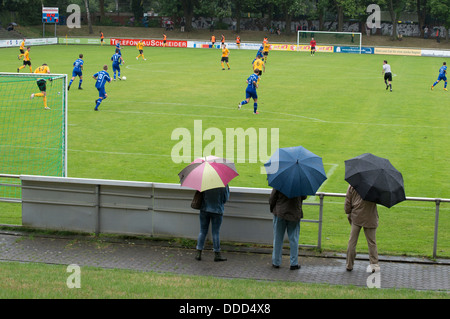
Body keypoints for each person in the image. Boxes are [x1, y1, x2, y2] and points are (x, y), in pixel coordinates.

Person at [345, 185, 380, 273]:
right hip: (370, 217)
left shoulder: (353, 185)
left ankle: (349, 264)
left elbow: (348, 202)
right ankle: (374, 265)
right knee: (372, 242)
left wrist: (348, 212)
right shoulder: (375, 186)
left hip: (356, 216)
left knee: (352, 241)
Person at [269, 189, 307, 270]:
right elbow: (304, 196)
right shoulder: (300, 183)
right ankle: (294, 263)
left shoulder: (280, 181)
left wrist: (273, 209)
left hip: (280, 213)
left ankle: (276, 262)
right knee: (294, 239)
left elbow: (272, 198)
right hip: (294, 213)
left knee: (278, 239)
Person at [195, 185, 230, 262]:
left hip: (204, 210)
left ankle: (199, 253)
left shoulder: (204, 182)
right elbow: (225, 199)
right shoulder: (223, 184)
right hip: (217, 210)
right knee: (215, 232)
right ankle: (217, 254)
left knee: (202, 231)